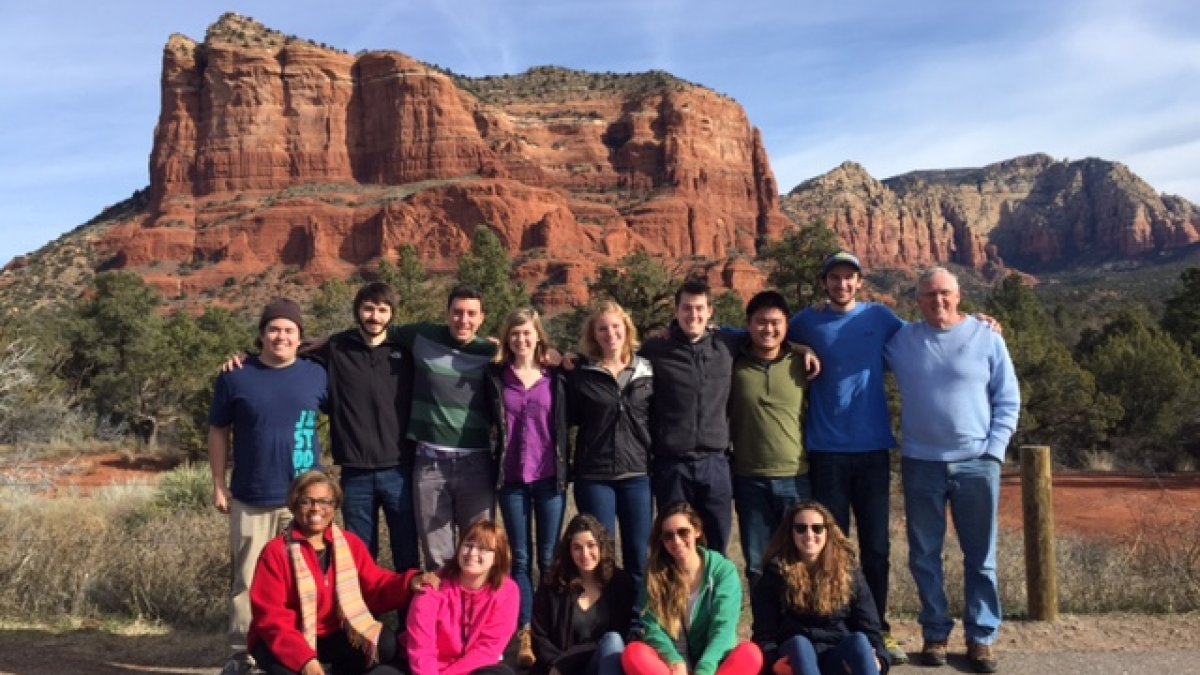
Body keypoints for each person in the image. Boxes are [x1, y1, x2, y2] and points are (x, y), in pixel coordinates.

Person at [884, 267, 1019, 673]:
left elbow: (1008, 399)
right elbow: (851, 343)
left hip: (976, 463)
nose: (937, 301)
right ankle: (936, 633)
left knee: (981, 556)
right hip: (921, 462)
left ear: (959, 295)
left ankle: (981, 637)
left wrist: (993, 452)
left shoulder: (986, 337)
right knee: (924, 554)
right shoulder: (902, 340)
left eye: (944, 293)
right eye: (928, 295)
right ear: (917, 300)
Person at [785, 251, 906, 664]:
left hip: (873, 450)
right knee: (828, 547)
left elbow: (926, 335)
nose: (842, 285)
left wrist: (981, 323)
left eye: (849, 278)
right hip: (826, 452)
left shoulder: (881, 317)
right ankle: (834, 630)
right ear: (825, 283)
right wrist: (800, 346)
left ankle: (877, 631)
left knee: (876, 548)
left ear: (859, 282)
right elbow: (767, 335)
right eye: (834, 277)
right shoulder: (806, 321)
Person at [209, 298, 328, 675]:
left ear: (299, 337)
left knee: (306, 581)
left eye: (289, 330)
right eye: (274, 329)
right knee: (248, 580)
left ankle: (302, 652)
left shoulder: (317, 374)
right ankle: (240, 654)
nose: (281, 336)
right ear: (261, 334)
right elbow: (218, 431)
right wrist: (218, 484)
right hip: (252, 495)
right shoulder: (235, 376)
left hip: (307, 501)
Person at [248, 472, 436, 675]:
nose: (316, 509)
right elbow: (271, 617)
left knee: (386, 643)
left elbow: (376, 585)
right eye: (307, 501)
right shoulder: (276, 552)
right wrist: (304, 660)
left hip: (335, 632)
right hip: (289, 638)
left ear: (335, 506)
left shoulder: (348, 543)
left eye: (324, 502)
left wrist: (409, 582)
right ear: (294, 505)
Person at [308, 281, 420, 570]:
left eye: (383, 310)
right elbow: (286, 354)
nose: (375, 316)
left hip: (400, 470)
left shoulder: (405, 351)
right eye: (368, 309)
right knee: (360, 556)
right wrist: (248, 358)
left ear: (392, 315)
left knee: (406, 552)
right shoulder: (336, 347)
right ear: (357, 310)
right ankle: (364, 614)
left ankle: (409, 615)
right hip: (355, 472)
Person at [390, 285, 499, 569]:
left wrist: (555, 355)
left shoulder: (492, 353)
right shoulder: (422, 336)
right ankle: (445, 612)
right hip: (429, 463)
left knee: (479, 549)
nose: (464, 320)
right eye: (458, 313)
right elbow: (373, 331)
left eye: (471, 314)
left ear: (482, 318)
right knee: (438, 555)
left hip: (477, 462)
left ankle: (474, 611)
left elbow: (533, 351)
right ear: (447, 313)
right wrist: (324, 342)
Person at [485, 307, 569, 668]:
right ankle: (525, 633)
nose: (521, 339)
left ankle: (550, 628)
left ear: (539, 336)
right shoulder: (495, 376)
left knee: (549, 557)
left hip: (550, 477)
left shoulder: (557, 376)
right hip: (512, 479)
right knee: (519, 558)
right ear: (507, 338)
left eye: (527, 333)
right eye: (514, 333)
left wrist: (568, 359)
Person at [639, 280, 743, 555]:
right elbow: (615, 358)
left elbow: (769, 336)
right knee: (675, 545)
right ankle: (678, 598)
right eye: (686, 308)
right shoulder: (655, 350)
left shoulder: (728, 345)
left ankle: (715, 597)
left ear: (710, 312)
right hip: (671, 465)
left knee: (717, 543)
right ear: (675, 311)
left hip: (715, 463)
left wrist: (802, 349)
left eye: (699, 309)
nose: (692, 315)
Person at [565, 300, 654, 588]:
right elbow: (568, 419)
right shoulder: (581, 373)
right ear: (594, 334)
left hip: (637, 474)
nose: (610, 334)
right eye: (602, 329)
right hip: (594, 476)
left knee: (638, 556)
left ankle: (635, 624)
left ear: (627, 329)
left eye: (616, 327)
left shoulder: (648, 371)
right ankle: (603, 622)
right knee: (599, 555)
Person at [729, 290, 811, 588]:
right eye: (761, 322)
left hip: (796, 476)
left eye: (775, 322)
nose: (768, 329)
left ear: (787, 324)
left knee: (800, 558)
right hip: (749, 478)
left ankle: (799, 629)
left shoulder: (802, 363)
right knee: (758, 562)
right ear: (748, 325)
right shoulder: (734, 364)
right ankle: (765, 631)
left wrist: (801, 349)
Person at [622, 502, 763, 675]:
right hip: (673, 667)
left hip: (715, 664)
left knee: (751, 654)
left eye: (683, 532)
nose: (677, 541)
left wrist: (705, 669)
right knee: (633, 653)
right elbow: (651, 628)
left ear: (697, 531)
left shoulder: (723, 572)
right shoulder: (654, 574)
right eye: (668, 536)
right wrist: (674, 660)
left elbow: (724, 629)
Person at [751, 502, 889, 675]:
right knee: (800, 645)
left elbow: (871, 628)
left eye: (817, 528)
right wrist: (773, 664)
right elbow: (764, 634)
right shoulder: (774, 575)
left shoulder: (848, 572)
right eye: (801, 528)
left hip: (837, 653)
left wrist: (880, 661)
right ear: (791, 533)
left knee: (860, 642)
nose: (809, 535)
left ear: (827, 532)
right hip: (795, 658)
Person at [406, 519, 520, 675]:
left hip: (474, 668)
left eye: (483, 549)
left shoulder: (507, 591)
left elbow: (487, 649)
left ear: (497, 557)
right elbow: (421, 648)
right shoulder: (433, 586)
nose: (472, 553)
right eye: (468, 545)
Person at [531, 514, 637, 675]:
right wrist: (559, 665)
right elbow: (539, 636)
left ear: (601, 546)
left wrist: (577, 655)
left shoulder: (620, 583)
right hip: (561, 668)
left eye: (591, 545)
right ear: (569, 551)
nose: (585, 554)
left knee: (614, 640)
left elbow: (625, 633)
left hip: (602, 666)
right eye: (577, 547)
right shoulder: (553, 584)